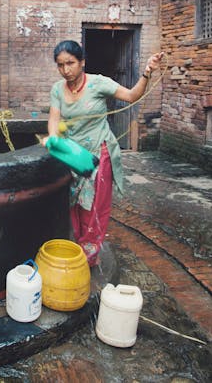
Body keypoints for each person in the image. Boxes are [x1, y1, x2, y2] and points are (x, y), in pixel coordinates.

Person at [45, 40, 164, 266]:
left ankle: (88, 257)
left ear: (82, 62)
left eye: (70, 63)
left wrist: (147, 73)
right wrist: (53, 140)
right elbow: (54, 119)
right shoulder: (57, 89)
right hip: (73, 153)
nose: (65, 70)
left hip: (99, 152)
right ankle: (78, 246)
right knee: (73, 203)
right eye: (60, 65)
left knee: (95, 206)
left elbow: (131, 96)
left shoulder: (98, 83)